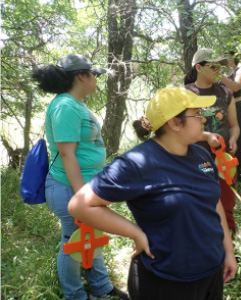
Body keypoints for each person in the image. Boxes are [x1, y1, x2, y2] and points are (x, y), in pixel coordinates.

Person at [67, 87, 238, 300]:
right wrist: (135, 233)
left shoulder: (201, 155)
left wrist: (228, 252)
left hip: (211, 271)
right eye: (198, 114)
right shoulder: (136, 163)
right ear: (175, 123)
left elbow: (214, 204)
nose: (204, 120)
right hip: (165, 279)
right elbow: (80, 205)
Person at [32, 54, 129, 300]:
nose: (96, 79)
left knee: (90, 236)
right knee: (72, 242)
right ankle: (74, 295)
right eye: (93, 74)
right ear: (81, 76)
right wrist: (82, 197)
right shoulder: (65, 106)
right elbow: (66, 154)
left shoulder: (76, 103)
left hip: (82, 187)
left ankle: (102, 288)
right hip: (69, 188)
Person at [184, 48, 240, 236]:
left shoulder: (225, 93)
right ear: (199, 67)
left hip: (223, 162)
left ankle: (229, 251)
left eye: (220, 66)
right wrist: (206, 136)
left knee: (226, 206)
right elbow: (179, 131)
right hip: (193, 161)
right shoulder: (185, 94)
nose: (218, 70)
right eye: (213, 66)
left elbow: (234, 125)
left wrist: (233, 139)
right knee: (197, 207)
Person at [219, 51, 241, 184]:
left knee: (240, 141)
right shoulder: (220, 71)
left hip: (238, 108)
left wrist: (219, 74)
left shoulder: (240, 70)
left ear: (233, 57)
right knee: (224, 141)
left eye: (227, 55)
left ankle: (239, 175)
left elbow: (235, 87)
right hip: (222, 110)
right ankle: (224, 175)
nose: (224, 57)